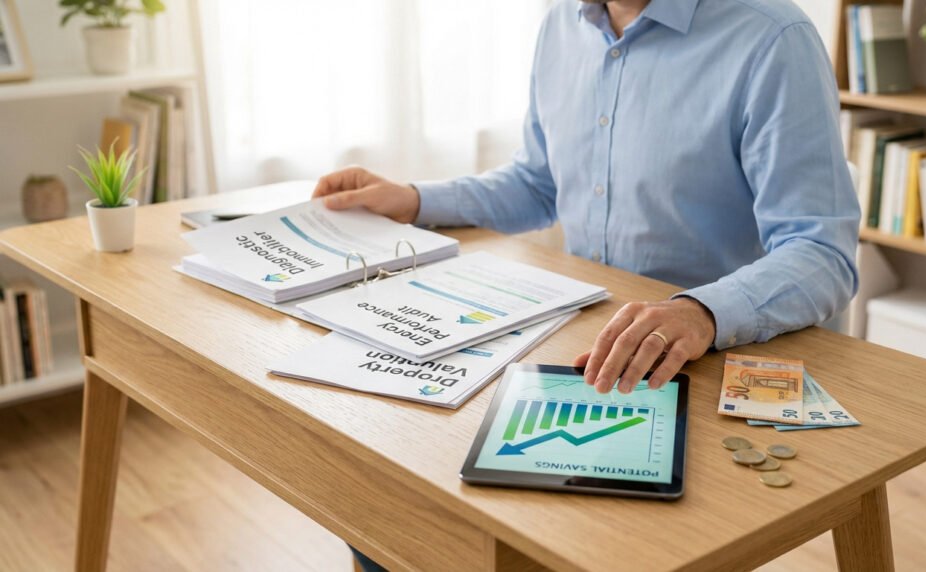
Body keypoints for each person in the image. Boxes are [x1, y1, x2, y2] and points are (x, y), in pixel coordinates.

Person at [316, 0, 858, 565]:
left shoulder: (773, 38)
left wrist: (700, 312)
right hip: (587, 347)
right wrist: (416, 199)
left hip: (707, 363)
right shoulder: (560, 25)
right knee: (389, 511)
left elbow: (822, 252)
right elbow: (537, 184)